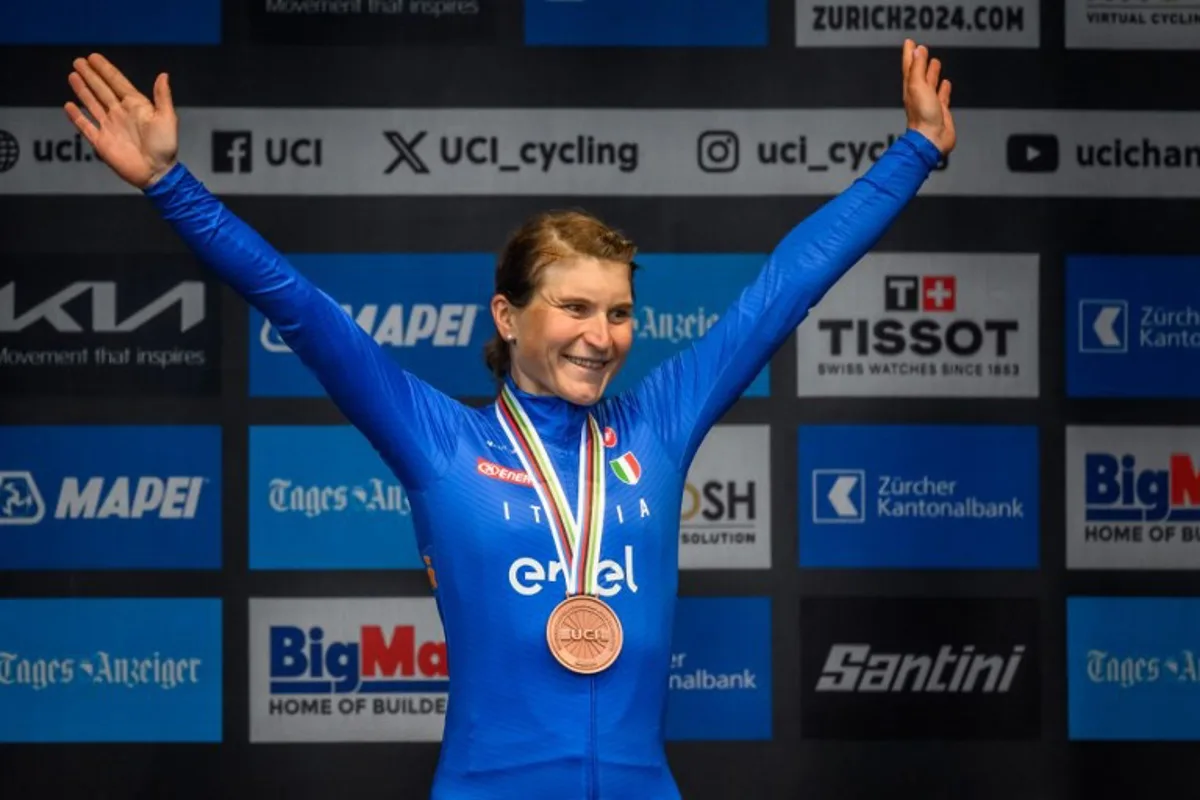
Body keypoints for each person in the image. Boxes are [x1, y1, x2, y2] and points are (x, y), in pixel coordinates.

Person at [62, 39, 956, 800]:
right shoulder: (441, 441)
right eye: (573, 309)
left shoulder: (657, 426)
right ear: (507, 316)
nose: (600, 337)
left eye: (617, 313)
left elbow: (784, 288)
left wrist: (914, 149)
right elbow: (297, 306)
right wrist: (171, 185)